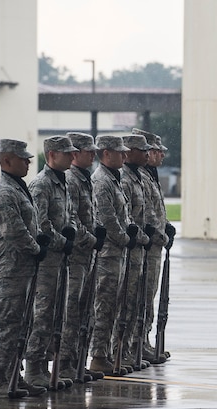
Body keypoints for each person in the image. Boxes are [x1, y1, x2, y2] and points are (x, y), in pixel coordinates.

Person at [0, 139, 47, 399]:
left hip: (22, 269)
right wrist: (35, 248)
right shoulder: (5, 192)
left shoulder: (18, 189)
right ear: (6, 161)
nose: (28, 162)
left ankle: (14, 376)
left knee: (22, 325)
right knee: (8, 326)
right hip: (8, 270)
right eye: (23, 158)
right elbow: (14, 231)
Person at [25, 136, 78, 390]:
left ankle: (46, 367)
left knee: (57, 314)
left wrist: (73, 234)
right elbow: (41, 224)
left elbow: (71, 215)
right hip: (47, 261)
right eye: (67, 153)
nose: (72, 157)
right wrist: (61, 241)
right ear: (52, 155)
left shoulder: (63, 182)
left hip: (61, 260)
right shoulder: (41, 184)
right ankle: (33, 367)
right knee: (43, 314)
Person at [88, 135, 138, 375]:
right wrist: (126, 237)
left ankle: (106, 353)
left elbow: (123, 216)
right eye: (120, 152)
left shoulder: (113, 179)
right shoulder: (101, 181)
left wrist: (130, 232)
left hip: (118, 254)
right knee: (105, 306)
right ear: (106, 154)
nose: (124, 156)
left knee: (115, 306)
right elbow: (107, 219)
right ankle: (98, 355)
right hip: (108, 255)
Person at [62, 132, 104, 382]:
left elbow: (92, 213)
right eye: (89, 151)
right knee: (71, 311)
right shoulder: (71, 180)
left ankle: (77, 362)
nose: (93, 155)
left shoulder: (84, 179)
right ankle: (66, 363)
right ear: (75, 154)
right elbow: (72, 218)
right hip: (75, 256)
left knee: (84, 311)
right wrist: (90, 238)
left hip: (87, 256)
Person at [132, 128, 173, 364]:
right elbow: (141, 215)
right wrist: (155, 234)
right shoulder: (140, 177)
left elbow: (154, 212)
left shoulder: (148, 177)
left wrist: (165, 227)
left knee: (148, 297)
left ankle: (142, 341)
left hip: (153, 247)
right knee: (137, 298)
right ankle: (134, 344)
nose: (159, 156)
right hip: (144, 247)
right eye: (156, 151)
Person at [118, 134, 154, 370]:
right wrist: (141, 237)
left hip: (139, 249)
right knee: (120, 305)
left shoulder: (139, 177)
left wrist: (155, 234)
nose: (148, 154)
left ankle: (132, 346)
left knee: (136, 302)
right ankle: (116, 352)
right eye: (142, 150)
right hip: (125, 250)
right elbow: (122, 219)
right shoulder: (123, 179)